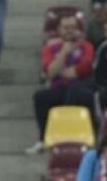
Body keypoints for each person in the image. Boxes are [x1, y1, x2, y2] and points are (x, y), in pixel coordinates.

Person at [29, 15, 95, 155]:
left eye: (73, 27)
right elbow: (50, 72)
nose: (69, 31)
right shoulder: (50, 48)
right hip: (58, 87)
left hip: (81, 86)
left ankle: (80, 138)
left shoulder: (86, 46)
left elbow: (84, 69)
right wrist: (64, 52)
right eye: (66, 28)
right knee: (40, 97)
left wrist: (61, 70)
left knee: (77, 92)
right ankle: (43, 139)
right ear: (59, 30)